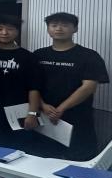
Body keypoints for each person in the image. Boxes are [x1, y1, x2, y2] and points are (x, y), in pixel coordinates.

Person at [34, 12, 109, 161]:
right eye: (54, 25)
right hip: (44, 117)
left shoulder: (89, 56)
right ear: (48, 29)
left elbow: (88, 87)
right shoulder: (38, 55)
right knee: (42, 160)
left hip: (78, 118)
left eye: (65, 25)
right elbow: (31, 84)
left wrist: (61, 108)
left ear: (75, 29)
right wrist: (42, 105)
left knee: (78, 161)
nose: (59, 29)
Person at [0, 15, 44, 150]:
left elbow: (34, 88)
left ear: (17, 31)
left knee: (18, 151)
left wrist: (32, 113)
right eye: (0, 29)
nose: (4, 33)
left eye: (10, 29)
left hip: (18, 112)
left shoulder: (28, 57)